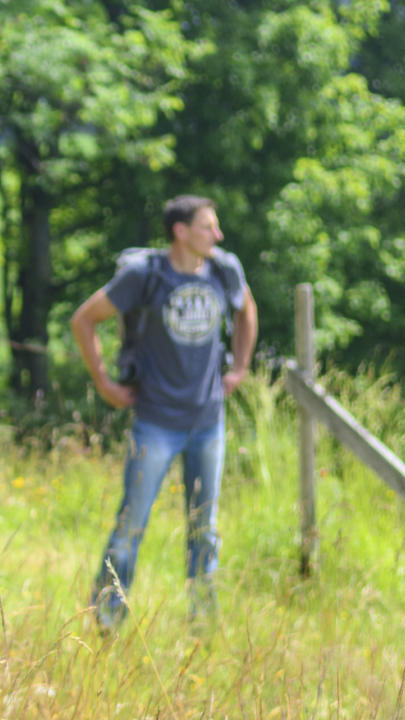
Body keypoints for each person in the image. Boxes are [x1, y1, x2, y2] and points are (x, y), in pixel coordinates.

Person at [67, 194, 258, 630]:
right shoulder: (145, 276)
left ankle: (201, 625)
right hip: (155, 421)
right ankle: (106, 621)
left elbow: (247, 310)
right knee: (131, 526)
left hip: (208, 421)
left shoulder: (223, 269)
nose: (218, 235)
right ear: (181, 231)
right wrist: (104, 382)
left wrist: (241, 367)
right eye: (209, 227)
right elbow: (84, 318)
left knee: (204, 529)